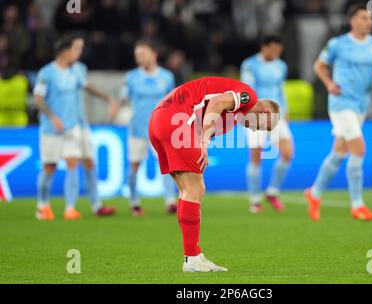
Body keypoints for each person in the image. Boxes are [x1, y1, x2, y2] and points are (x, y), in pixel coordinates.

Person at [149, 76, 280, 272]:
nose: (256, 129)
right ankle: (192, 259)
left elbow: (209, 110)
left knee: (187, 190)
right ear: (266, 112)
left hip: (159, 120)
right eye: (263, 126)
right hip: (175, 119)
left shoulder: (232, 118)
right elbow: (217, 103)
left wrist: (203, 140)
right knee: (195, 188)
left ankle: (194, 255)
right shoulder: (249, 96)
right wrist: (202, 142)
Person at [304, 4, 372, 221]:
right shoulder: (338, 44)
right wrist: (329, 84)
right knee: (359, 148)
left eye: (370, 18)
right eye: (364, 18)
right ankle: (357, 205)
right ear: (353, 21)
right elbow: (319, 65)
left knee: (339, 152)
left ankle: (314, 192)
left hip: (360, 105)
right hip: (340, 103)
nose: (369, 22)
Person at [34, 34, 118, 220]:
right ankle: (42, 205)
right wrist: (52, 117)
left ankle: (70, 208)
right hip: (51, 128)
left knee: (73, 162)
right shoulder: (46, 73)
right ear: (65, 51)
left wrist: (108, 98)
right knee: (49, 167)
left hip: (73, 126)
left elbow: (88, 87)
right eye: (76, 49)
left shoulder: (76, 71)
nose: (78, 53)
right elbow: (38, 99)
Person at [120, 40, 177, 216]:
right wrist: (115, 107)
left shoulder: (167, 77)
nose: (139, 59)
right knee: (134, 165)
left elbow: (173, 101)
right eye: (137, 56)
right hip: (138, 128)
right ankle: (134, 201)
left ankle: (170, 201)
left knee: (167, 165)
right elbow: (122, 98)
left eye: (142, 54)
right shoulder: (131, 77)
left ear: (154, 54)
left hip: (160, 129)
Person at [241, 35, 293, 213]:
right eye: (274, 49)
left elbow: (281, 89)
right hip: (255, 116)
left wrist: (285, 109)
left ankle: (272, 191)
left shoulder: (281, 66)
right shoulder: (250, 65)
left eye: (279, 51)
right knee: (256, 157)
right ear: (265, 47)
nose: (277, 53)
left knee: (287, 153)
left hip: (276, 115)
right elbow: (248, 90)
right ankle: (255, 199)